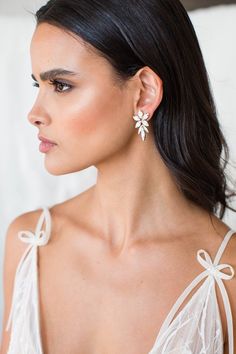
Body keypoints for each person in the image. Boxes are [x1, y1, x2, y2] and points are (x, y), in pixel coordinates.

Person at [1, 0, 236, 353]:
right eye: (38, 85)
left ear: (144, 92)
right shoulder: (28, 245)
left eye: (61, 85)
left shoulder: (226, 275)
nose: (34, 114)